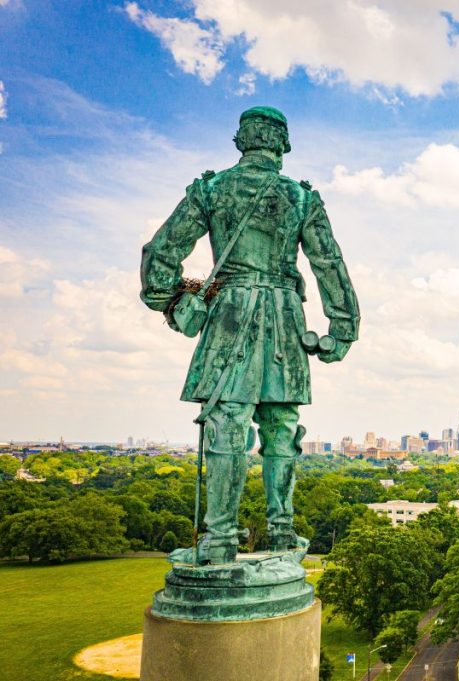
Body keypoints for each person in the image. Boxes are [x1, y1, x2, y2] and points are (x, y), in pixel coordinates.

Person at [140, 106, 359, 564]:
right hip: (283, 317)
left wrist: (173, 300)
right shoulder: (302, 199)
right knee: (281, 428)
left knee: (226, 426)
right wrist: (343, 328)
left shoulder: (212, 189)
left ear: (241, 141)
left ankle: (219, 537)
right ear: (283, 144)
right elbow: (328, 264)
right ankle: (281, 533)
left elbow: (160, 253)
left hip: (230, 317)